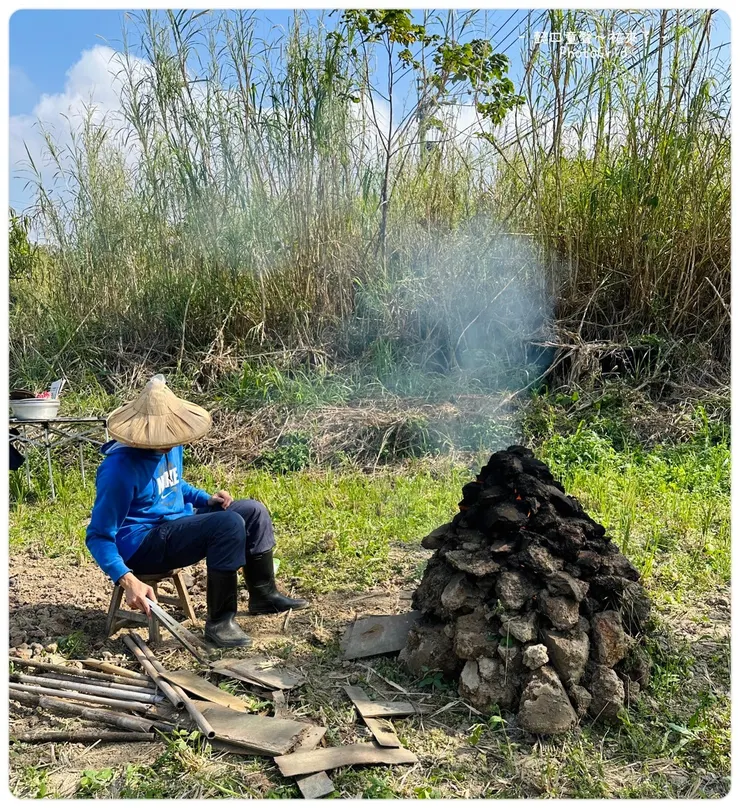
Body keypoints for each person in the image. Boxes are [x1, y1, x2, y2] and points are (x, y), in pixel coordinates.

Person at [85, 374, 308, 648]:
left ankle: (263, 594)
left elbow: (174, 484)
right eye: (162, 437)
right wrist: (127, 579)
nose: (168, 443)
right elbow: (98, 536)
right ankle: (220, 622)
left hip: (175, 525)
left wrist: (206, 499)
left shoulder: (170, 446)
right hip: (142, 545)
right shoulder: (118, 470)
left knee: (253, 511)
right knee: (227, 525)